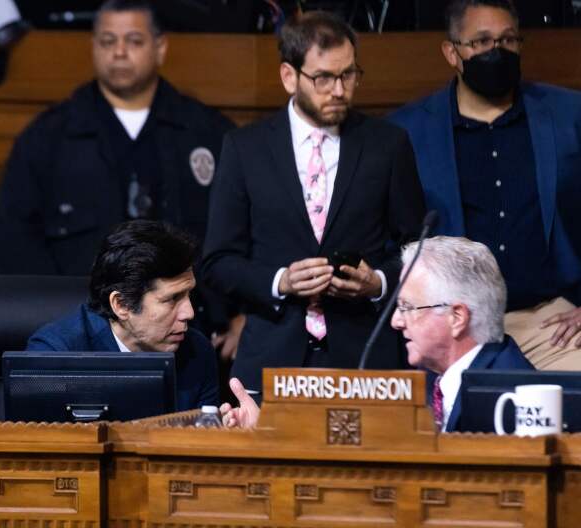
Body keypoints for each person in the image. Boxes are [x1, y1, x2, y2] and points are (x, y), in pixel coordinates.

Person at [0, 0, 239, 353]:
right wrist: (62, 322)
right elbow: (13, 240)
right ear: (93, 47)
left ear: (160, 47)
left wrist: (236, 314)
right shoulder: (49, 137)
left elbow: (236, 235)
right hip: (80, 341)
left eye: (134, 41)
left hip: (192, 336)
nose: (119, 52)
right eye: (108, 41)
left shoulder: (206, 132)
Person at [201, 11, 426, 395]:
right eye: (323, 78)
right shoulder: (245, 148)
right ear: (290, 76)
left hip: (365, 357)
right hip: (271, 355)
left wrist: (378, 282)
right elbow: (218, 262)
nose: (339, 90)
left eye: (348, 75)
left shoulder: (388, 145)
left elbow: (420, 246)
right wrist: (280, 281)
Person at [388, 0, 581, 370]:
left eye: (508, 40)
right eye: (481, 42)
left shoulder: (567, 117)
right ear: (452, 52)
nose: (497, 51)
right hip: (455, 327)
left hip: (551, 323)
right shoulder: (408, 131)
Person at [222, 236, 534, 433]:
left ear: (457, 317)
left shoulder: (518, 397)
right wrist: (265, 429)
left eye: (409, 307)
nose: (396, 322)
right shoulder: (421, 385)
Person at [27, 220, 219, 411]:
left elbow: (203, 438)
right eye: (172, 299)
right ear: (121, 304)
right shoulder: (54, 356)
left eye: (188, 295)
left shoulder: (197, 353)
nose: (190, 313)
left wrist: (232, 434)